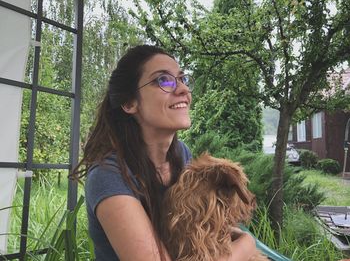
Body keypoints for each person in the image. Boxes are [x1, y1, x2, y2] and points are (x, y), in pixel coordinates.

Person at [74, 45, 257, 261]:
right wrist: (246, 245)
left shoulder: (181, 155)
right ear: (129, 103)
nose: (183, 90)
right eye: (164, 80)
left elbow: (204, 232)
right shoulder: (109, 175)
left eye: (182, 79)